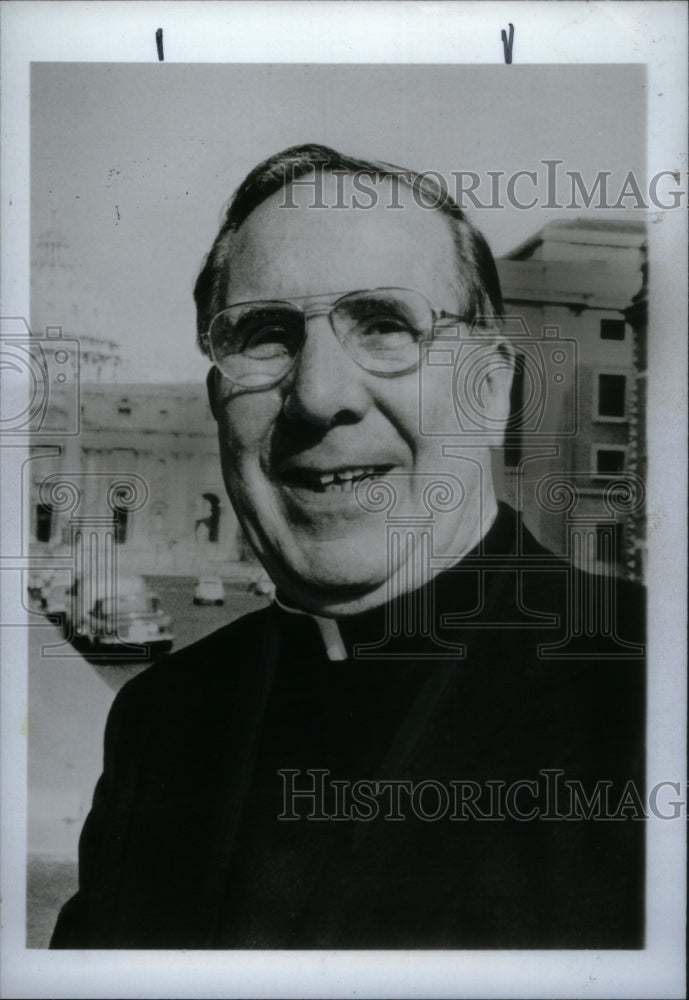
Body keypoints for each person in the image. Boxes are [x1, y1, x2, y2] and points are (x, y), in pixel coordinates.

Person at [51, 144, 645, 950]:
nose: (320, 396)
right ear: (219, 404)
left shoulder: (651, 690)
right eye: (265, 335)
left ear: (493, 388)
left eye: (385, 326)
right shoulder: (161, 720)